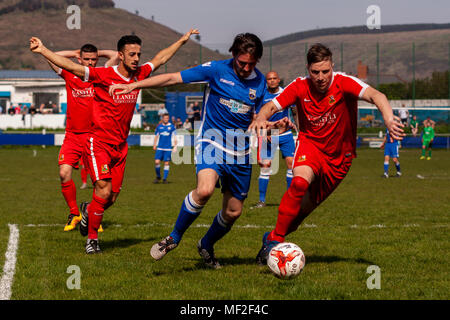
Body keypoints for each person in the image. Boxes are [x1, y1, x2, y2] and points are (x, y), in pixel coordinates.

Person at [109, 33, 290, 268]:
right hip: (211, 141)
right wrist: (134, 84)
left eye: (251, 64)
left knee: (233, 212)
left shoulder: (260, 83)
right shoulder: (215, 70)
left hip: (241, 151)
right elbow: (173, 77)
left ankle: (206, 244)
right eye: (241, 62)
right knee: (204, 191)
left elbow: (259, 116)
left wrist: (275, 124)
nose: (246, 68)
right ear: (233, 55)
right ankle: (173, 237)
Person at [30, 28, 199, 254]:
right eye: (132, 54)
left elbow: (160, 59)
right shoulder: (103, 74)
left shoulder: (139, 74)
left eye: (138, 54)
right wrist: (42, 50)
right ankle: (92, 241)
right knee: (103, 188)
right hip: (97, 142)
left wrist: (181, 41)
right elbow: (72, 66)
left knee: (111, 198)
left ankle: (88, 211)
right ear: (121, 55)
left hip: (121, 146)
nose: (137, 59)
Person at [250, 43, 405, 265]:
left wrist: (389, 119)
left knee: (296, 218)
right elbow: (271, 107)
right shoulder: (299, 86)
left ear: (332, 66)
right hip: (310, 146)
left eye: (325, 71)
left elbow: (376, 95)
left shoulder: (344, 82)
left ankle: (271, 237)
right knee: (299, 184)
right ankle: (275, 243)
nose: (321, 77)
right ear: (307, 69)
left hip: (339, 160)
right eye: (315, 72)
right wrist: (261, 119)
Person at [46, 44, 118, 232]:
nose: (91, 62)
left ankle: (92, 214)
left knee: (99, 182)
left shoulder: (101, 74)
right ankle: (74, 213)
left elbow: (116, 55)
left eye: (94, 59)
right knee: (64, 174)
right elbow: (50, 57)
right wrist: (74, 53)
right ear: (79, 60)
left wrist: (99, 53)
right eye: (86, 59)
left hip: (95, 137)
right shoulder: (69, 74)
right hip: (72, 136)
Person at [254, 71, 296, 208]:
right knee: (265, 166)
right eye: (269, 79)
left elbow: (295, 111)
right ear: (266, 81)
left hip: (285, 134)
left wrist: (298, 128)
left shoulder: (286, 93)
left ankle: (290, 200)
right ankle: (261, 201)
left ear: (279, 80)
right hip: (268, 135)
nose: (272, 81)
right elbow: (257, 116)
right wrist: (263, 132)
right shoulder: (261, 96)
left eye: (274, 78)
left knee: (291, 165)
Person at [153, 113, 177, 184]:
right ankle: (158, 176)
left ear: (168, 118)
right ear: (162, 119)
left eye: (167, 118)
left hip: (168, 148)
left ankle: (164, 179)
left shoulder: (172, 127)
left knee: (166, 163)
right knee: (157, 162)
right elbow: (156, 136)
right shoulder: (159, 127)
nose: (166, 119)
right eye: (164, 118)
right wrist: (154, 145)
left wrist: (175, 147)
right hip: (160, 147)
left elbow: (175, 137)